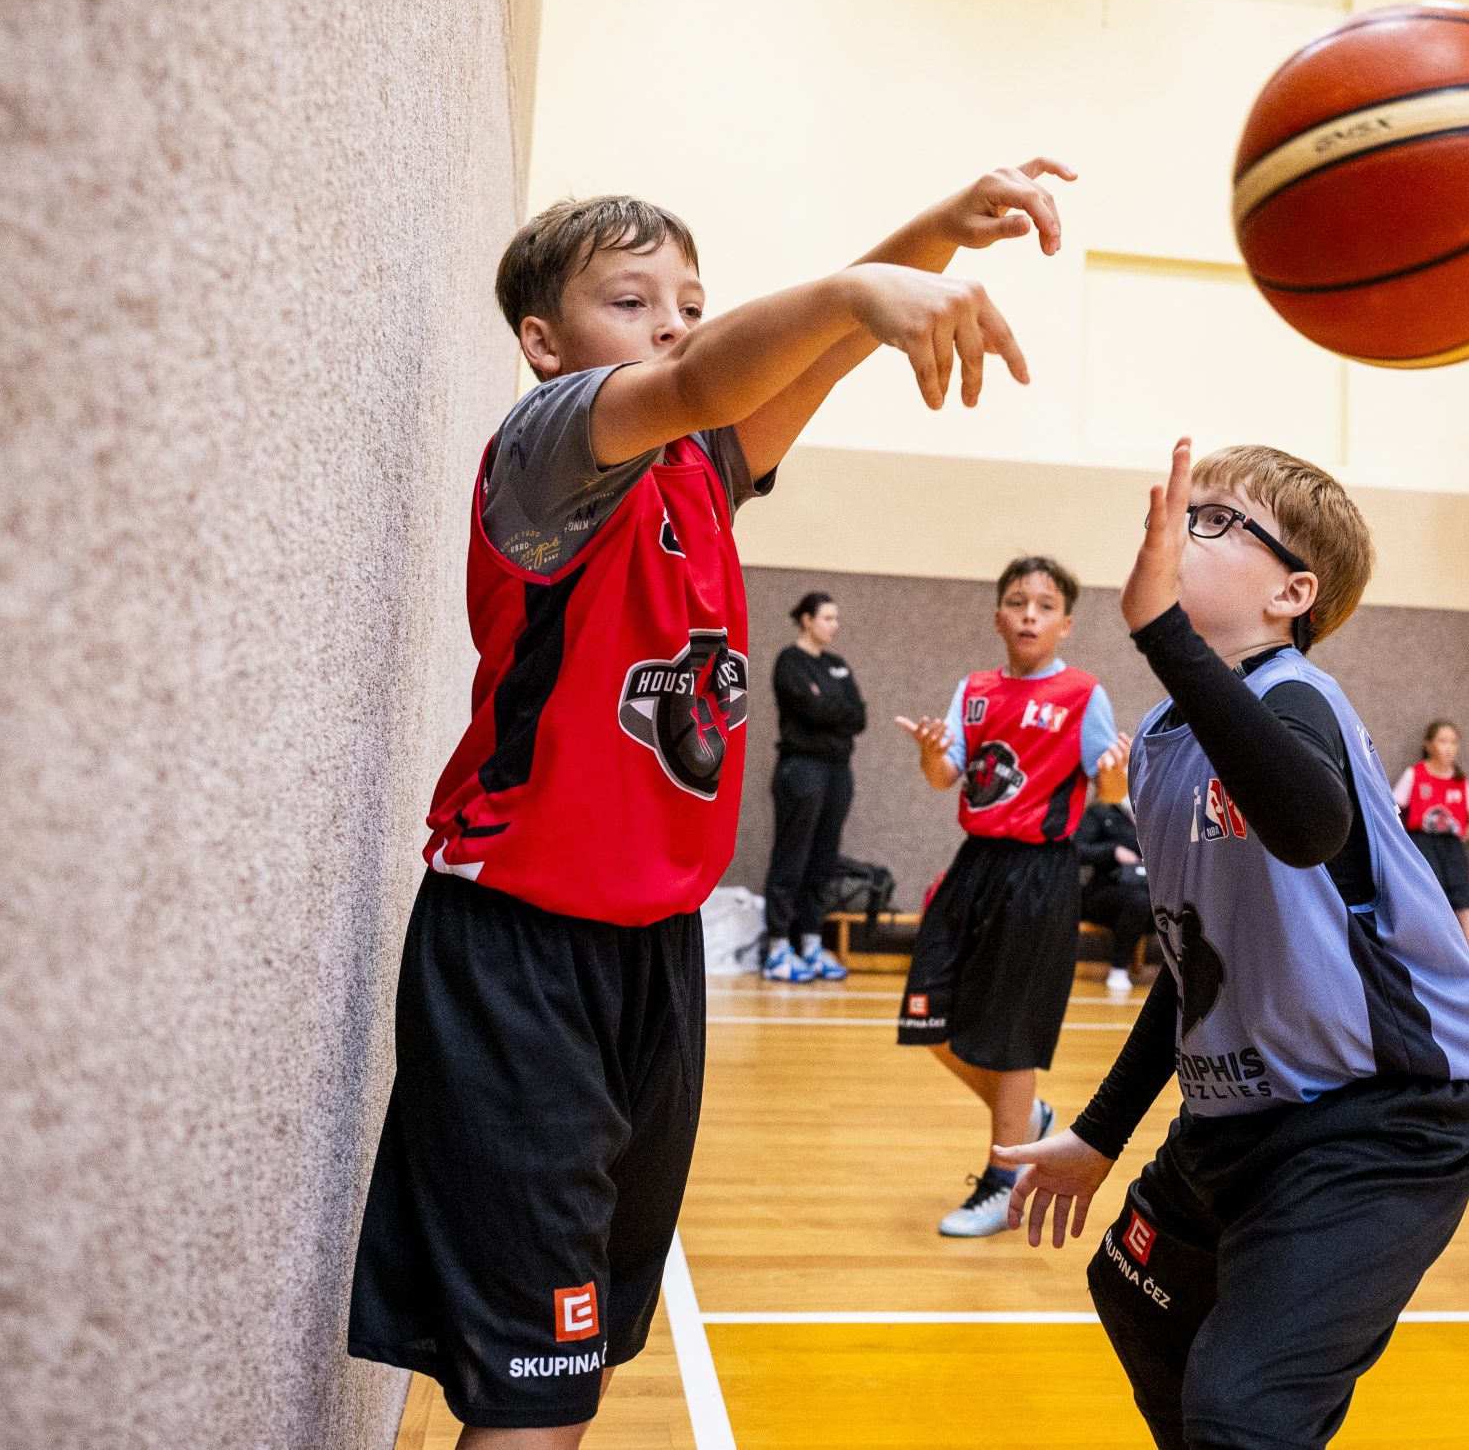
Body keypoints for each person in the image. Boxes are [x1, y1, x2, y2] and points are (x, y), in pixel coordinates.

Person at [350, 162, 1067, 1444]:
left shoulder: (694, 473)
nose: (674, 324)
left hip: (654, 954)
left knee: (579, 1356)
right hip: (521, 947)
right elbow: (709, 376)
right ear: (544, 341)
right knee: (533, 1381)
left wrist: (928, 234)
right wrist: (854, 288)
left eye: (691, 300)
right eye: (632, 300)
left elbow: (808, 359)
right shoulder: (547, 446)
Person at [991, 440, 1469, 1450]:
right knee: (1140, 1299)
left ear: (1291, 593)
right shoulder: (1163, 740)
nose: (1187, 531)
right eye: (1190, 514)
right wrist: (1100, 1132)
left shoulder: (1297, 697)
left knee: (1243, 1409)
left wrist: (1161, 632)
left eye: (1219, 521)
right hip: (1242, 1111)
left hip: (1387, 1114)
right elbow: (1193, 960)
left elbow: (1307, 821)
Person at [893, 555, 1128, 1238]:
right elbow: (944, 775)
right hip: (974, 866)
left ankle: (1003, 1179)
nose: (1030, 614)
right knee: (928, 1017)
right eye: (1018, 602)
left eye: (1045, 605)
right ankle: (1025, 1120)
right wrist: (930, 752)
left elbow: (1108, 791)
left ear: (1065, 624)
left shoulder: (1083, 694)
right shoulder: (974, 690)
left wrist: (1114, 773)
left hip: (1040, 874)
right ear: (999, 617)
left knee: (1012, 1036)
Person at [763, 591, 863, 982]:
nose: (834, 625)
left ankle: (810, 942)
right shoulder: (790, 661)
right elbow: (811, 709)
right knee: (792, 857)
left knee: (823, 859)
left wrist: (827, 708)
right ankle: (777, 946)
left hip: (838, 769)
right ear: (807, 620)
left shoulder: (837, 665)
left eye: (836, 618)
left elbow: (858, 715)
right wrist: (830, 710)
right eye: (827, 618)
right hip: (802, 768)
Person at [1395, 720, 1469, 996]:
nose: (1449, 747)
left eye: (1453, 742)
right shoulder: (1415, 774)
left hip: (1452, 848)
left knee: (1464, 907)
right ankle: (1429, 969)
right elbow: (1392, 808)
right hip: (1422, 844)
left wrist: (1459, 836)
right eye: (1442, 741)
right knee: (1428, 904)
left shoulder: (1460, 781)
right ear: (1429, 745)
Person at [1074, 786, 1151, 997]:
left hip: (1149, 894)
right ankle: (1119, 968)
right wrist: (1112, 851)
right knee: (1138, 900)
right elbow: (1077, 850)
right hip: (1105, 892)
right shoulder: (1101, 813)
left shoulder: (1158, 820)